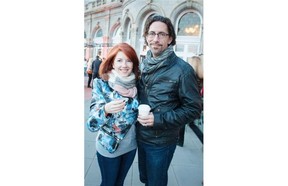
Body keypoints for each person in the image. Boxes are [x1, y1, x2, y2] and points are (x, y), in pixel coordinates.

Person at [136, 15, 203, 186]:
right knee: (145, 179)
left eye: (161, 34)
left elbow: (193, 109)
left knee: (156, 182)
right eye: (151, 33)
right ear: (146, 37)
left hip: (161, 142)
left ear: (170, 39)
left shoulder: (183, 70)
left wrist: (158, 120)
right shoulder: (143, 64)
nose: (155, 39)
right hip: (140, 136)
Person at [86, 43, 140, 186]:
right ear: (112, 63)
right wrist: (105, 110)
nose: (124, 65)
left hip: (131, 145)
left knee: (120, 183)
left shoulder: (138, 84)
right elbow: (91, 124)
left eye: (128, 60)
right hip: (108, 146)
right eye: (119, 60)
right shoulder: (101, 84)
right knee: (109, 183)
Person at [177, 55, 204, 146]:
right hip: (197, 104)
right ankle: (180, 140)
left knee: (187, 123)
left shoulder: (189, 75)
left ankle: (180, 141)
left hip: (188, 103)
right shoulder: (201, 77)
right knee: (189, 124)